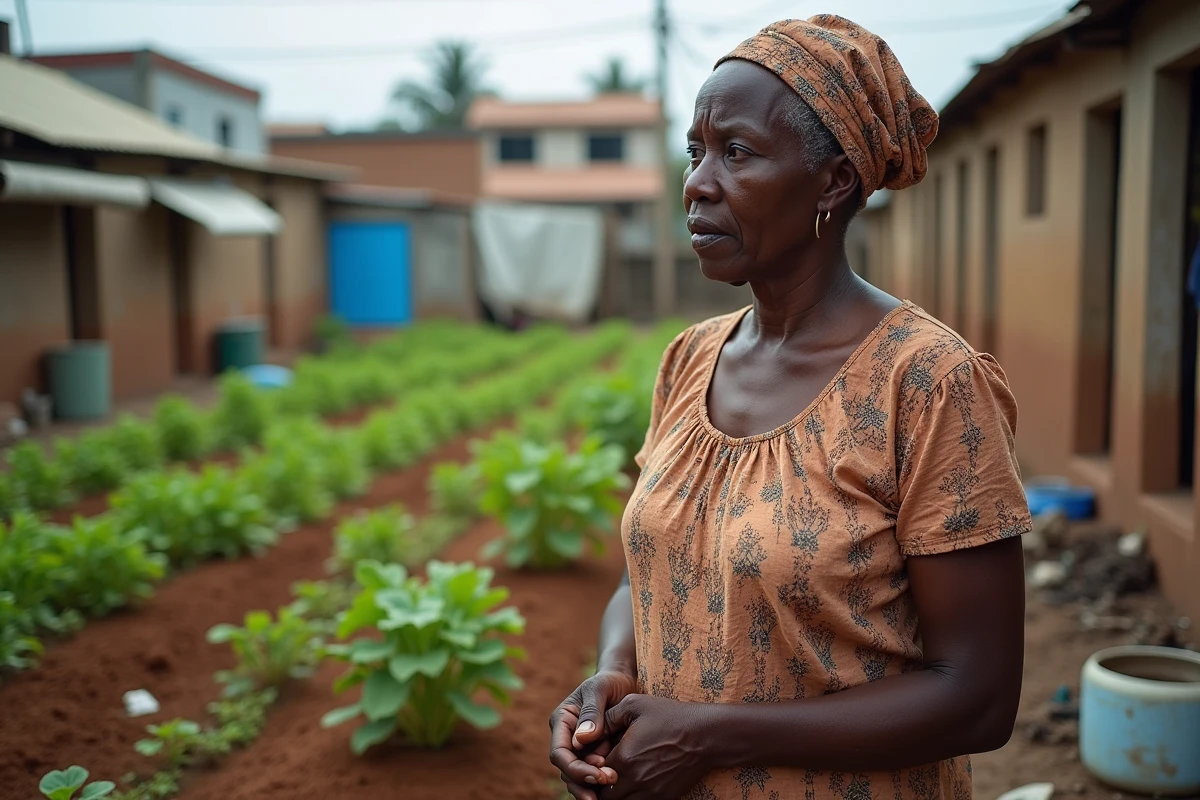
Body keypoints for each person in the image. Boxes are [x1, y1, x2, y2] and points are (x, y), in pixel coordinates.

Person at [549, 14, 1031, 800]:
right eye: (695, 151)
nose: (698, 183)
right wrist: (610, 675)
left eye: (736, 152)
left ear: (835, 181)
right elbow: (656, 573)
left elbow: (976, 697)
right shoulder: (689, 360)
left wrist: (706, 735)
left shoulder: (927, 382)